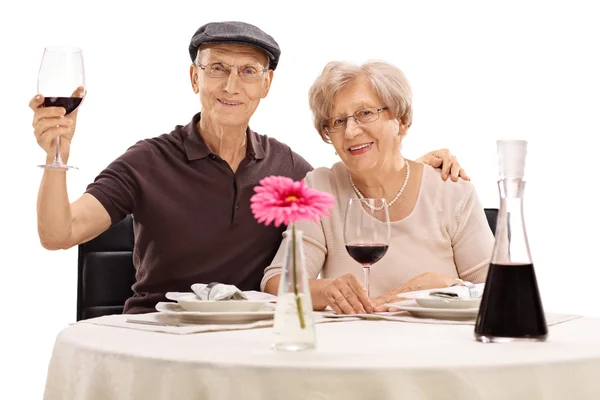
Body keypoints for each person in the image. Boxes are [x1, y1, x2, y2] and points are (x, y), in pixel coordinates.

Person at [30, 21, 470, 314]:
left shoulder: (289, 168)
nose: (231, 85)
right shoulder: (146, 161)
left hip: (251, 343)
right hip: (159, 333)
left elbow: (354, 176)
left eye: (247, 71)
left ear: (266, 84)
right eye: (217, 68)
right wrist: (56, 154)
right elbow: (58, 233)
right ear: (194, 78)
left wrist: (421, 167)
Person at [262, 60, 494, 315]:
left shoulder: (451, 192)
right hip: (351, 350)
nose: (350, 132)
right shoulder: (320, 188)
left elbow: (499, 292)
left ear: (402, 120)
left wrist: (435, 289)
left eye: (365, 113)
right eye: (337, 121)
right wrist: (327, 290)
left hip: (435, 350)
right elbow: (277, 283)